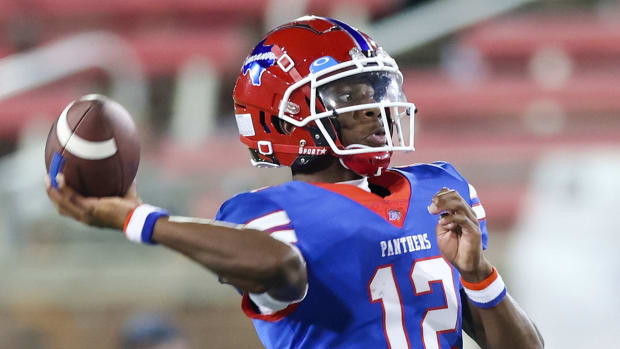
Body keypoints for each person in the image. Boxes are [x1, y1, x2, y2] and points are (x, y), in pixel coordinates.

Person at [46, 16, 544, 349]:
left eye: (375, 91)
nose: (375, 110)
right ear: (285, 118)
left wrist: (479, 276)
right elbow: (280, 265)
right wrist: (137, 218)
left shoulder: (438, 190)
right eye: (349, 95)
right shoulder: (268, 214)